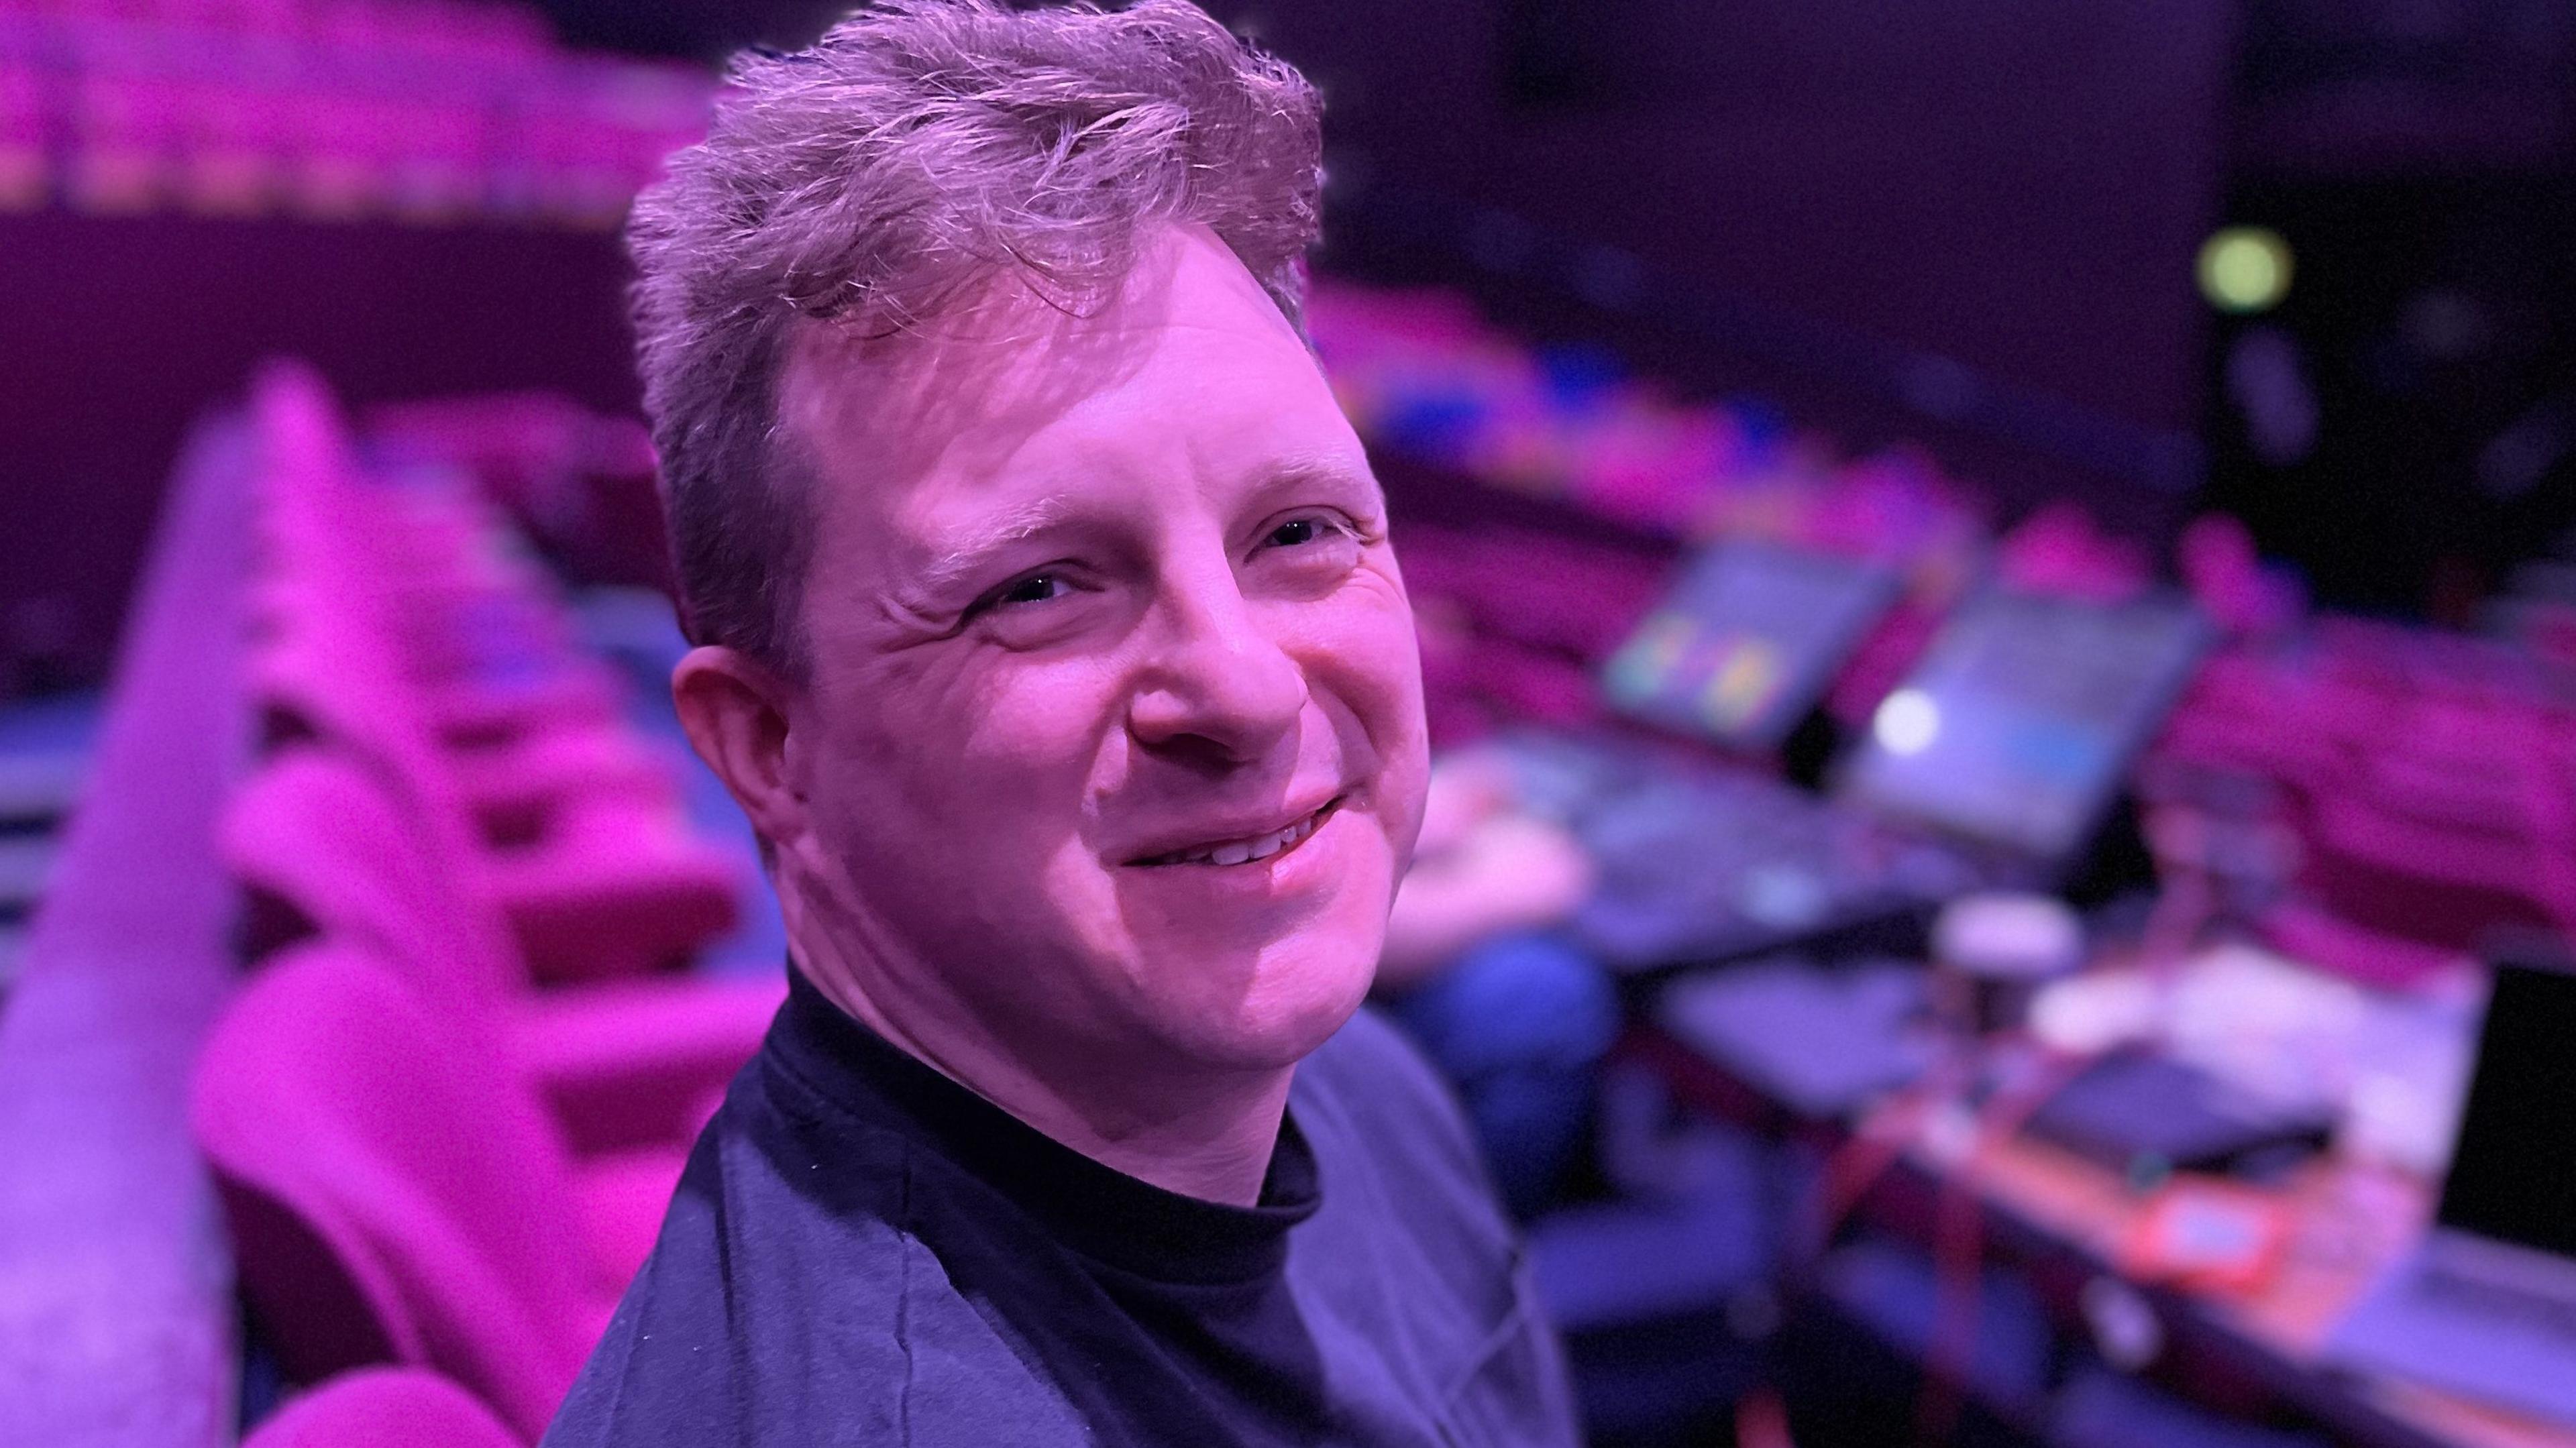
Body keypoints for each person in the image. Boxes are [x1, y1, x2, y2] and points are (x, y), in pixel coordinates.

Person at [541, 3, 1580, 1445]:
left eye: (1299, 529)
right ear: (770, 747)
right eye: (1038, 587)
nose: (1248, 686)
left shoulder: (1355, 1090)